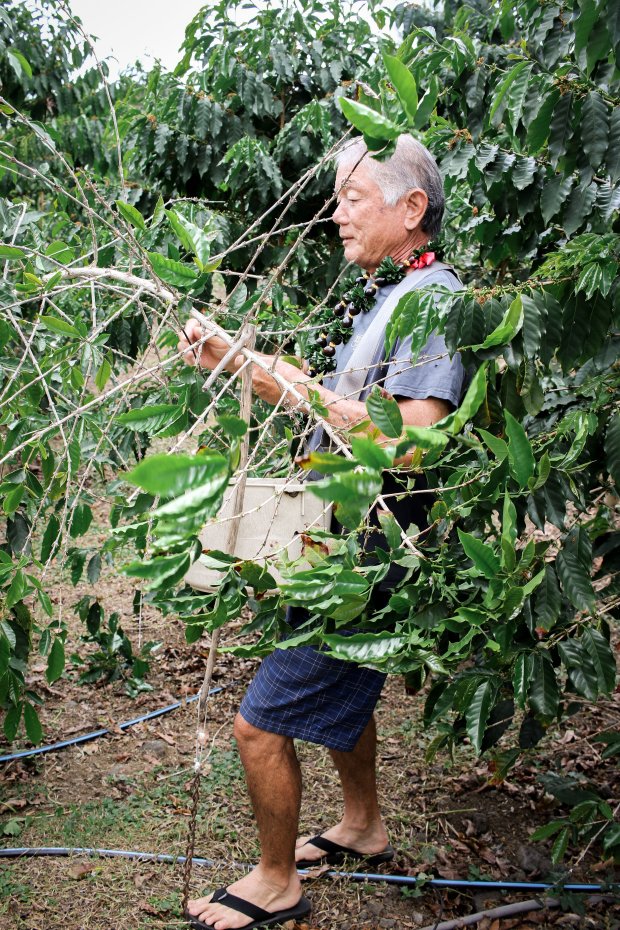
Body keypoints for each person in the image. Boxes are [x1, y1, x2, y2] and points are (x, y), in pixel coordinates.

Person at [178, 134, 466, 930]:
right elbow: (339, 400)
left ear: (412, 210)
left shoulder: (435, 300)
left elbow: (411, 439)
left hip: (372, 554)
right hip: (336, 536)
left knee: (260, 722)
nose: (336, 215)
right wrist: (241, 361)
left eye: (352, 197)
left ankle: (276, 881)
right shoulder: (388, 293)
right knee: (339, 693)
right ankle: (362, 824)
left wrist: (279, 383)